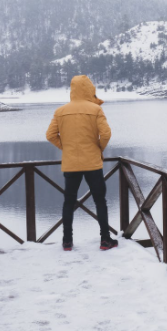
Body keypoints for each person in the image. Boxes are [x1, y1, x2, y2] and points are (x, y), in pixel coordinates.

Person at [45, 75, 118, 251]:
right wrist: (97, 148)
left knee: (68, 202)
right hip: (93, 163)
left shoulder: (60, 111)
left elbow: (50, 135)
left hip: (71, 164)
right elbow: (106, 134)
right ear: (89, 89)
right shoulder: (95, 109)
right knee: (100, 201)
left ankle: (67, 241)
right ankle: (105, 240)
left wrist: (66, 147)